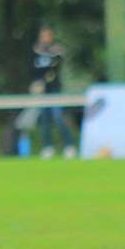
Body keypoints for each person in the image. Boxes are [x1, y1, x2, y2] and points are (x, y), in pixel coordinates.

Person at [31, 25, 76, 160]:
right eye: (43, 35)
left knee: (58, 118)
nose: (46, 38)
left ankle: (68, 146)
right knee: (44, 120)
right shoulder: (35, 51)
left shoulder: (57, 51)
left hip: (55, 91)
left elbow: (56, 65)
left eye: (48, 35)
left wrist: (49, 67)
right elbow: (33, 69)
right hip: (41, 92)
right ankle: (47, 147)